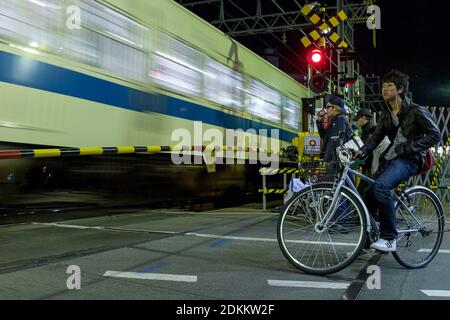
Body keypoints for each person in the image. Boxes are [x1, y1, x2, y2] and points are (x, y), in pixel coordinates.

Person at [355, 70, 441, 252]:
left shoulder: (416, 111)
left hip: (411, 159)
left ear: (400, 89)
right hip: (391, 158)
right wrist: (362, 151)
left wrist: (410, 148)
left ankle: (389, 237)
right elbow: (376, 137)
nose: (384, 89)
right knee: (368, 194)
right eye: (383, 86)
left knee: (381, 187)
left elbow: (435, 135)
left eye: (389, 86)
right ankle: (367, 241)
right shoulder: (386, 114)